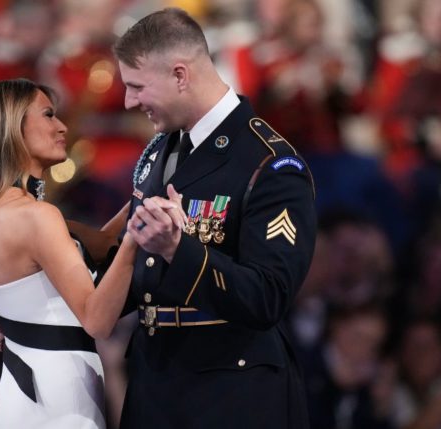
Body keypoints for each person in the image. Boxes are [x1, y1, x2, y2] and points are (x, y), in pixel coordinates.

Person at [0, 78, 184, 428]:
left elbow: (99, 243)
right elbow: (97, 320)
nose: (62, 126)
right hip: (59, 399)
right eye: (48, 115)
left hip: (29, 395)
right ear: (11, 128)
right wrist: (134, 242)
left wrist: (148, 197)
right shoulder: (36, 218)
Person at [116, 8, 317, 429]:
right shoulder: (161, 148)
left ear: (180, 75)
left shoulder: (270, 163)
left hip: (232, 395)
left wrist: (177, 248)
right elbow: (130, 266)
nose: (128, 101)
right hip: (155, 387)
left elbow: (268, 296)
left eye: (136, 86)